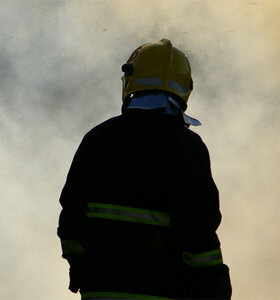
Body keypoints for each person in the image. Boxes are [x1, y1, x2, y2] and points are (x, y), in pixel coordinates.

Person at [57, 39, 232, 300]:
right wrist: (214, 285)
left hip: (100, 290)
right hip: (163, 291)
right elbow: (198, 229)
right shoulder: (186, 146)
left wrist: (79, 265)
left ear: (130, 80)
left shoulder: (98, 139)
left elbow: (71, 215)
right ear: (185, 88)